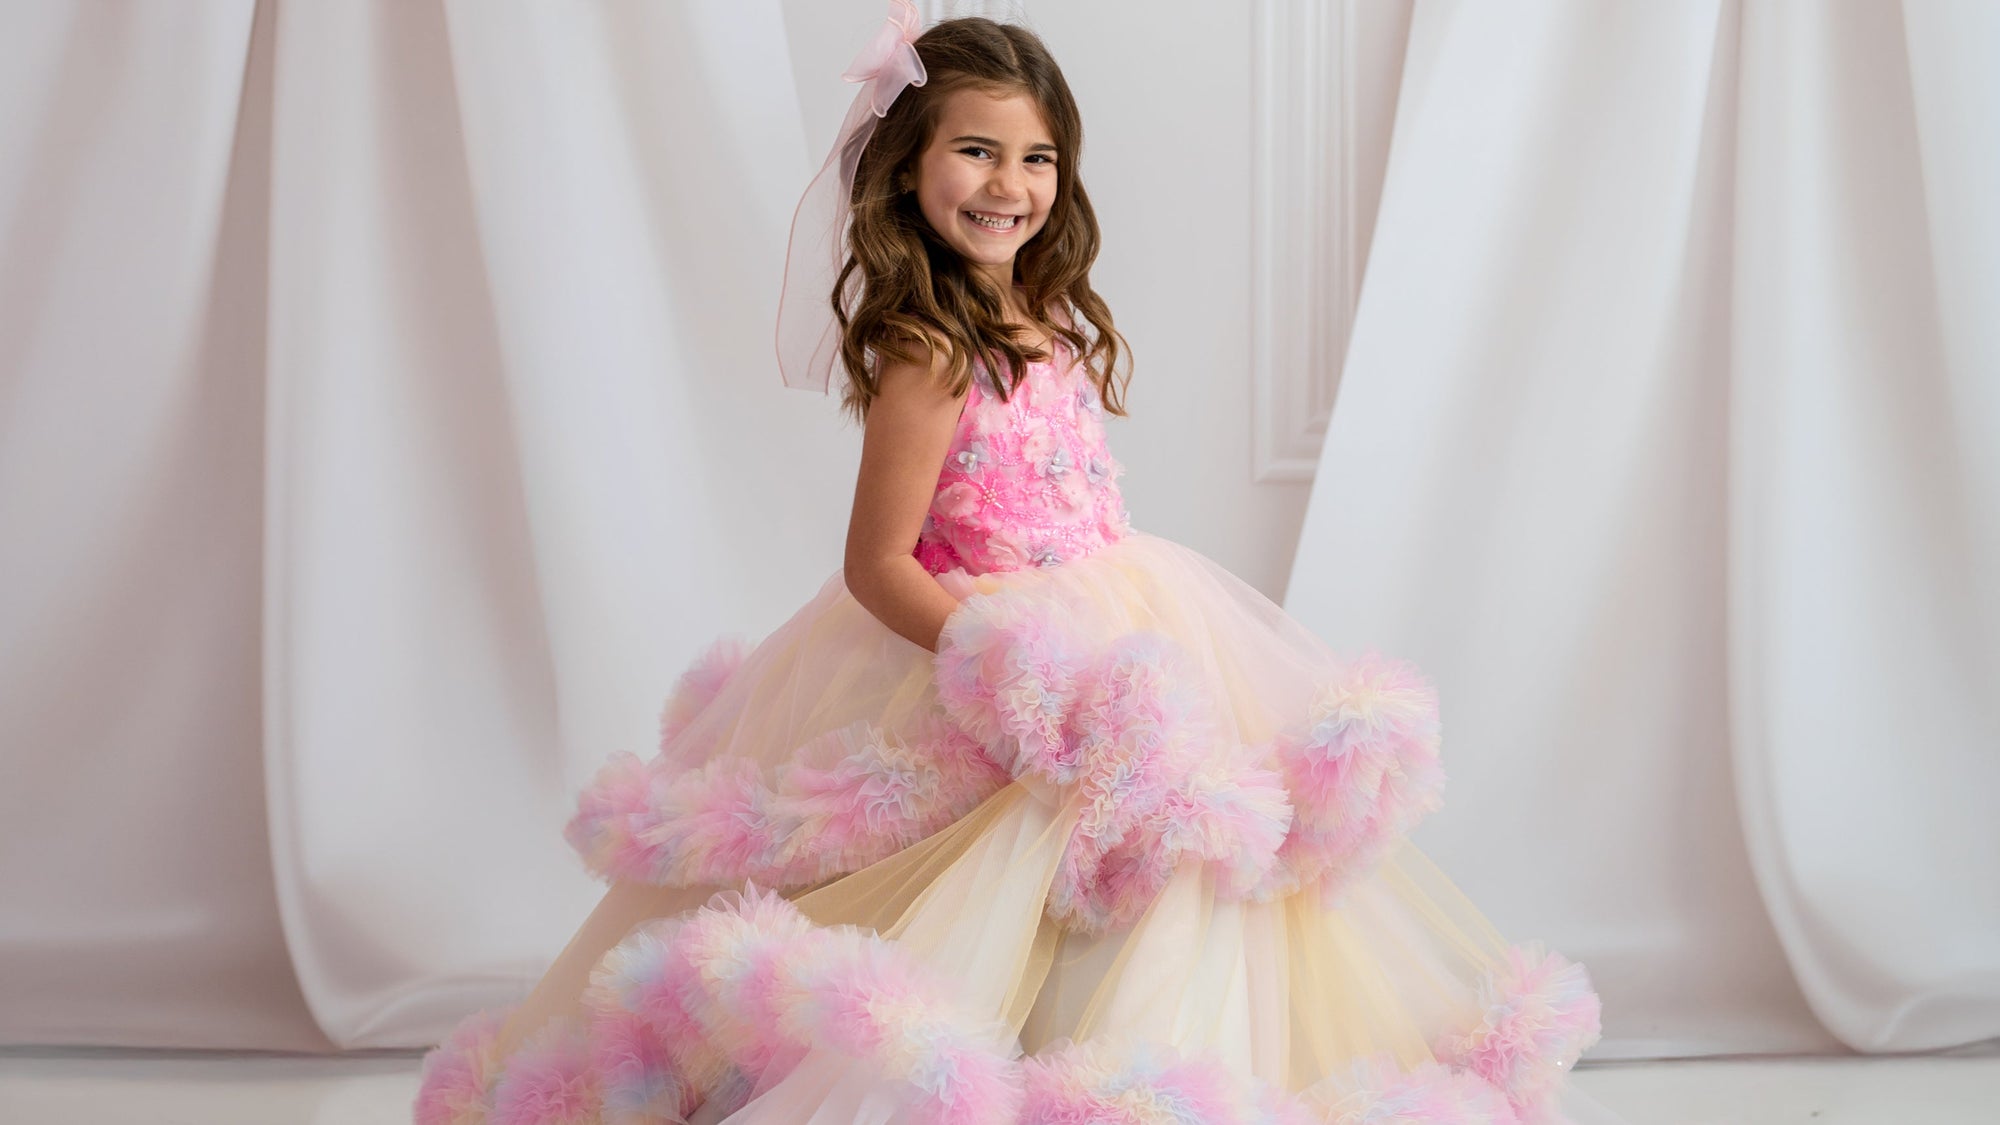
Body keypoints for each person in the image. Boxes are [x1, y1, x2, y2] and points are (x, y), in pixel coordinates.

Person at [415, 6, 1614, 1124]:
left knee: (1168, 865)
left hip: (1126, 614)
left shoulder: (1041, 315)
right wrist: (1003, 663)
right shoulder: (923, 349)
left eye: (1035, 160)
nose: (1009, 185)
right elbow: (879, 562)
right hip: (990, 656)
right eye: (976, 153)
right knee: (987, 890)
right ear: (906, 168)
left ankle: (1145, 1075)